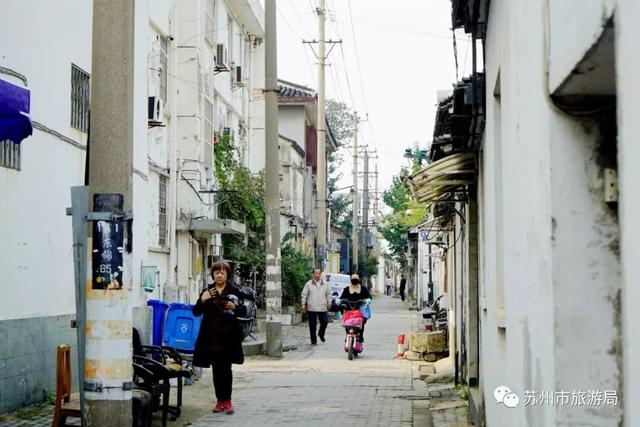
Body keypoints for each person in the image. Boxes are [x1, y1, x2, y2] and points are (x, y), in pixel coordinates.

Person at [192, 262, 246, 415]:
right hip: (212, 337)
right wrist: (203, 299)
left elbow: (244, 312)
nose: (220, 275)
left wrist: (234, 307)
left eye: (223, 273)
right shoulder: (208, 291)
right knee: (216, 371)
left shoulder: (234, 291)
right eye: (217, 273)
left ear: (227, 274)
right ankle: (219, 401)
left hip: (228, 337)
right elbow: (196, 312)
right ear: (213, 275)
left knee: (226, 370)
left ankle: (228, 401)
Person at [301, 268, 332, 345]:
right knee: (312, 325)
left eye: (319, 273)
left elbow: (328, 294)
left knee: (325, 322)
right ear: (313, 274)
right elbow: (304, 294)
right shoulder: (308, 284)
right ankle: (313, 341)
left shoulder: (325, 284)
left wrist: (329, 303)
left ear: (321, 274)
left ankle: (321, 333)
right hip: (312, 307)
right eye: (316, 273)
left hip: (322, 307)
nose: (317, 275)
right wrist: (303, 304)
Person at [339, 273, 372, 342]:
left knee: (361, 323)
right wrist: (339, 300)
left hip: (360, 309)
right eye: (353, 279)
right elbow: (341, 298)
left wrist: (368, 299)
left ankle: (361, 335)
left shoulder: (363, 289)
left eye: (356, 279)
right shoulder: (346, 289)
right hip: (349, 309)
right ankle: (347, 334)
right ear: (351, 280)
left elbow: (369, 296)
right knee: (347, 323)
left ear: (359, 279)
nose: (354, 280)